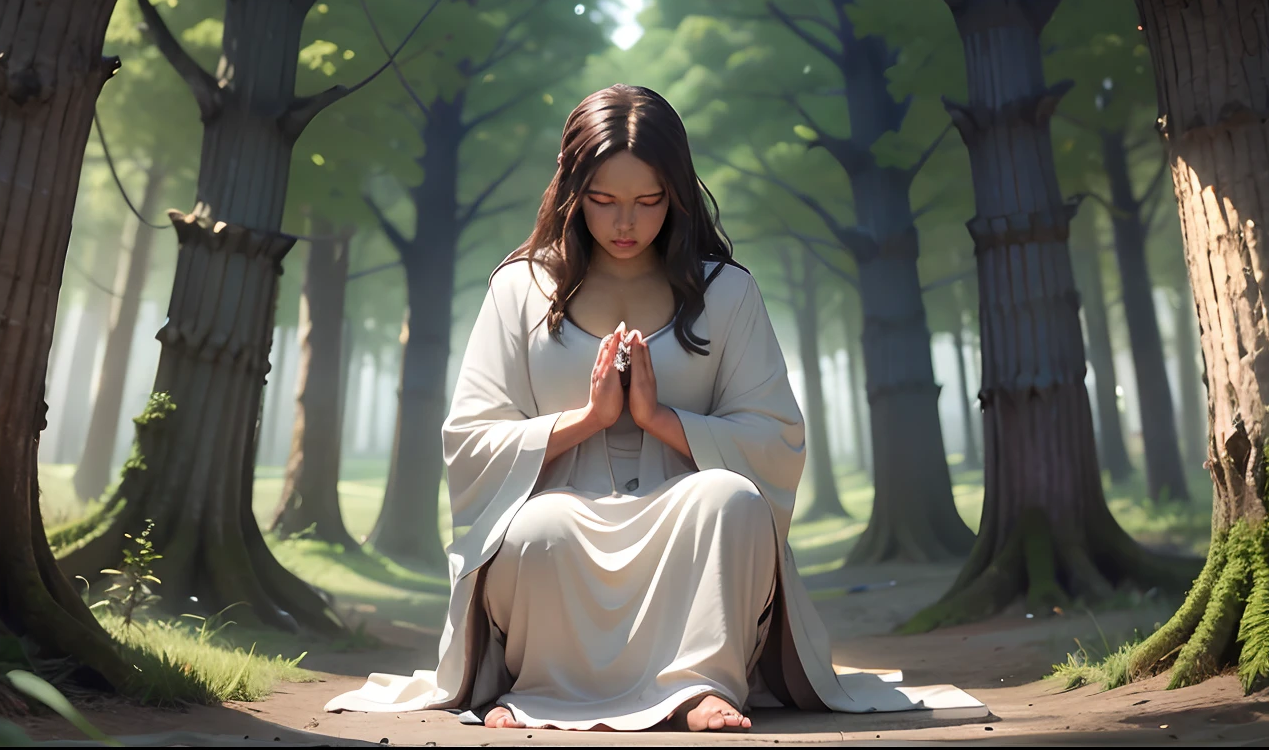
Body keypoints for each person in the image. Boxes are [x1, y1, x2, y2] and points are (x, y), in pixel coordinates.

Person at [325, 84, 984, 731]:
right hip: (560, 514)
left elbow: (777, 437)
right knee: (536, 530)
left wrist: (659, 420)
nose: (624, 223)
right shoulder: (519, 288)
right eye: (603, 200)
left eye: (648, 200)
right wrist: (584, 420)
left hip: (686, 519)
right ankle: (545, 690)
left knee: (732, 502)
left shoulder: (726, 292)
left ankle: (700, 686)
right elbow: (469, 440)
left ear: (678, 193)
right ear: (571, 190)